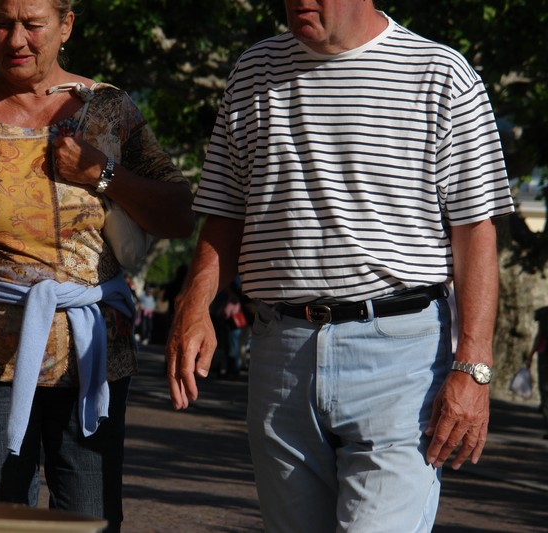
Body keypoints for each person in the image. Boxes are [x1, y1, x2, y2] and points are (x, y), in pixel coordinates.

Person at [166, 2, 514, 531]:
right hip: (280, 352)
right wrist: (194, 305)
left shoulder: (440, 73)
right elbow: (225, 210)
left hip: (401, 361)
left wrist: (474, 367)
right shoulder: (252, 71)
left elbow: (475, 231)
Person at [0, 0, 193, 530]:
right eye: (3, 24)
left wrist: (103, 174)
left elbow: (179, 213)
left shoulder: (109, 110)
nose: (15, 40)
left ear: (66, 25)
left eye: (32, 25)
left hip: (93, 353)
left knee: (91, 520)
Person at [526, 306, 548, 438]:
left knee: (545, 390)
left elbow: (539, 336)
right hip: (544, 354)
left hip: (544, 354)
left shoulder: (544, 313)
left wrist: (531, 355)